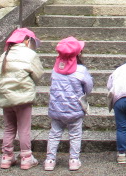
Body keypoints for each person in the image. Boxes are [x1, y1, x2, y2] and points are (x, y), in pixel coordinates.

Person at [0, 28, 44, 170]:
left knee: (9, 127)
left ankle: (6, 156)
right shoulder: (30, 54)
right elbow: (38, 74)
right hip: (23, 96)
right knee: (24, 128)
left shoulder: (5, 54)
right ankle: (26, 157)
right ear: (27, 40)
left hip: (5, 95)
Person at [44, 36, 93, 171]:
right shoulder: (81, 70)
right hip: (74, 108)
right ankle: (73, 160)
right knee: (75, 134)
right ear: (78, 53)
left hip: (56, 108)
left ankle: (49, 160)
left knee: (54, 134)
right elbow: (88, 86)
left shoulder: (55, 69)